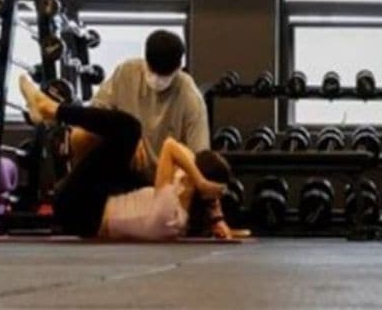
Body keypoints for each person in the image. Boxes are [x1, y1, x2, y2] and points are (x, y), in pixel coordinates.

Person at [20, 75, 234, 240]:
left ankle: (51, 109)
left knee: (129, 128)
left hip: (78, 209)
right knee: (127, 149)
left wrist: (200, 180)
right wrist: (217, 217)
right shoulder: (182, 208)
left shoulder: (170, 211)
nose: (184, 171)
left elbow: (171, 147)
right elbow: (186, 154)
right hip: (95, 205)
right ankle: (51, 111)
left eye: (189, 173)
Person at [88, 30, 210, 180]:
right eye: (153, 71)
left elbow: (200, 157)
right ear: (145, 60)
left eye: (164, 75)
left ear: (179, 67)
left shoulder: (191, 98)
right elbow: (94, 113)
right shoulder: (126, 73)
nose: (157, 79)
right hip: (125, 168)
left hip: (166, 180)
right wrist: (127, 136)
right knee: (80, 136)